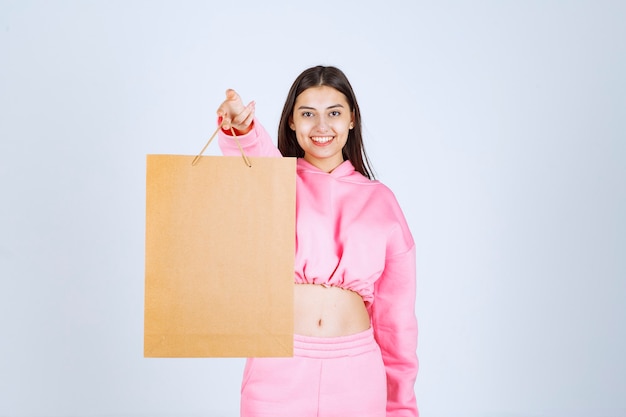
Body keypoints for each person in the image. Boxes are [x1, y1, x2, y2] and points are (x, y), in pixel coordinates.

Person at [216, 65, 418, 417]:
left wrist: (400, 407)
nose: (321, 127)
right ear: (291, 121)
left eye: (334, 113)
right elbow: (257, 163)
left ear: (352, 119)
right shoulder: (277, 183)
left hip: (356, 376)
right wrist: (243, 130)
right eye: (307, 114)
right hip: (278, 368)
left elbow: (395, 320)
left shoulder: (382, 200)